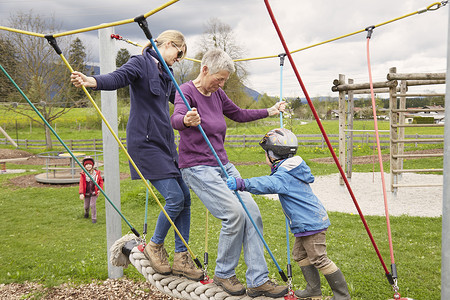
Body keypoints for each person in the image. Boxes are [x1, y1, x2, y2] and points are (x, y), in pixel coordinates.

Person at [70, 30, 203, 281]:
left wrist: (197, 105)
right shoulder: (140, 62)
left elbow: (181, 101)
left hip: (165, 144)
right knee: (174, 197)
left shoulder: (168, 74)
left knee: (185, 197)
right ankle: (154, 245)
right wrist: (92, 81)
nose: (179, 58)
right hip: (145, 142)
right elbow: (118, 78)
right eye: (179, 52)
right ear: (170, 44)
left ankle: (181, 257)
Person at [171, 48, 288, 298]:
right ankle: (224, 273)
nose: (221, 84)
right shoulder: (187, 91)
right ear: (205, 70)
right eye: (219, 78)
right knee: (233, 214)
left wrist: (270, 111)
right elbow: (176, 117)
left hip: (223, 165)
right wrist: (187, 120)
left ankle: (258, 280)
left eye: (224, 80)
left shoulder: (218, 94)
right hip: (197, 167)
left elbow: (238, 114)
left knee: (252, 213)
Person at [226, 128, 351, 300]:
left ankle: (342, 296)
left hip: (311, 224)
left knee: (319, 258)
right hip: (305, 224)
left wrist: (241, 183)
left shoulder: (284, 176)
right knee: (300, 255)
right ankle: (313, 289)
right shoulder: (291, 169)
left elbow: (267, 184)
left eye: (266, 153)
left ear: (272, 154)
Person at [79, 156, 104, 224]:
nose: (88, 166)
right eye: (87, 165)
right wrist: (81, 193)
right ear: (84, 166)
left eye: (90, 164)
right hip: (86, 193)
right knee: (86, 206)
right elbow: (81, 184)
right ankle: (86, 213)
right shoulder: (83, 174)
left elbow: (100, 182)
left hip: (94, 192)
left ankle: (94, 218)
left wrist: (99, 189)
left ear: (92, 165)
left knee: (92, 205)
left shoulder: (96, 173)